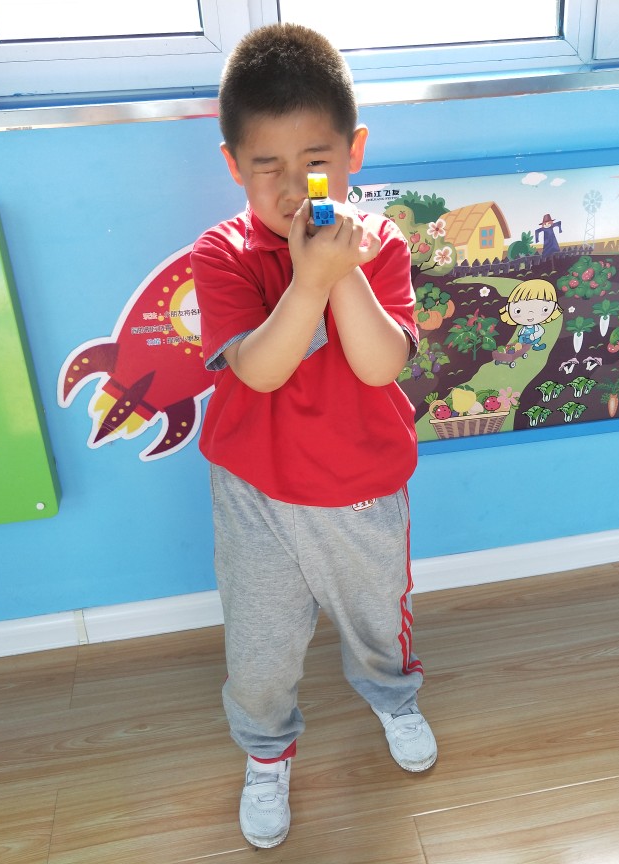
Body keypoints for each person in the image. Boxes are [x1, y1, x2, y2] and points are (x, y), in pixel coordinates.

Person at [190, 22, 436, 849]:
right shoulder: (222, 255)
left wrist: (339, 273)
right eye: (268, 165)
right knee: (260, 643)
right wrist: (307, 282)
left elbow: (378, 365)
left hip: (362, 490)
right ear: (234, 165)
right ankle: (266, 751)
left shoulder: (383, 244)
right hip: (254, 491)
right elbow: (259, 371)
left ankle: (393, 699)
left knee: (378, 622)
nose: (295, 187)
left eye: (317, 161)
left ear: (355, 151)